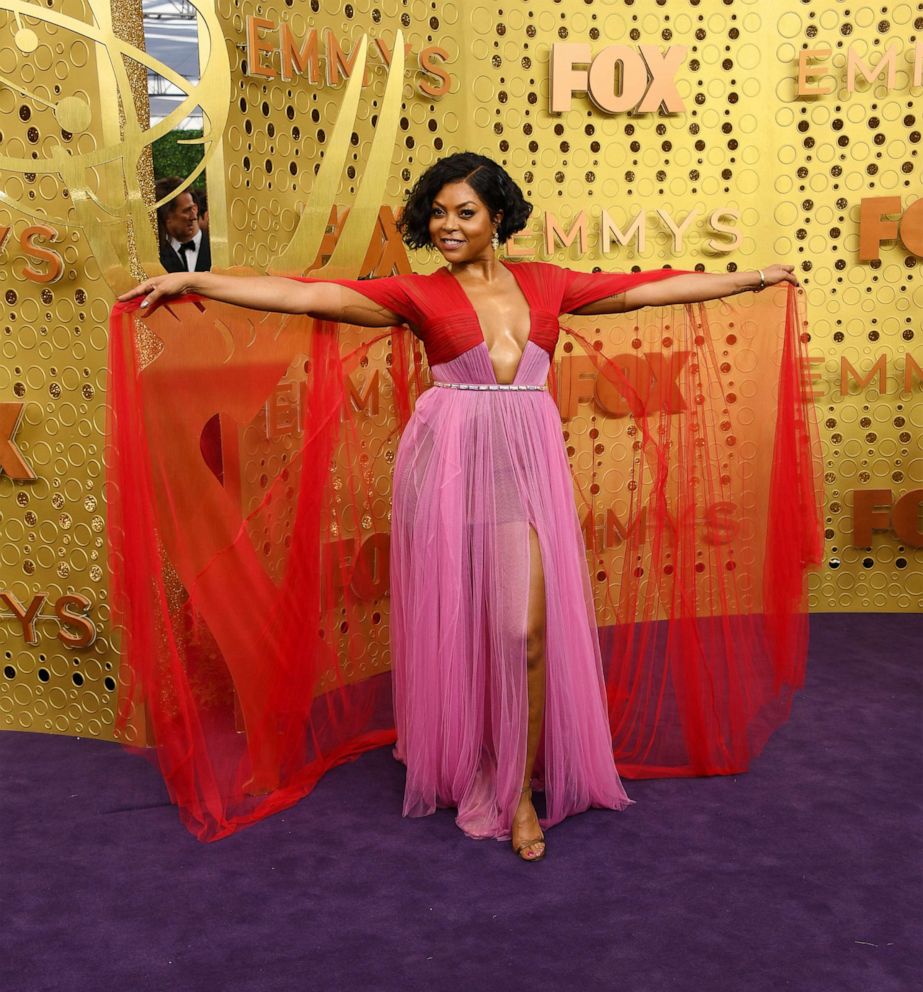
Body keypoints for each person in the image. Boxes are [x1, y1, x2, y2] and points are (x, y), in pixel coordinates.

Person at [119, 152, 800, 861]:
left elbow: (648, 289)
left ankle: (518, 793)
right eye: (437, 213)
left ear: (497, 217)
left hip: (521, 470)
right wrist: (195, 278)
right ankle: (478, 756)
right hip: (444, 469)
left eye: (463, 212)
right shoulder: (418, 295)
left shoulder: (548, 283)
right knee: (460, 621)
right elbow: (305, 295)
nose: (447, 225)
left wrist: (751, 276)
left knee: (523, 632)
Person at [155, 176, 211, 274]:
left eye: (193, 208)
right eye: (186, 211)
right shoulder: (154, 257)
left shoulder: (219, 250)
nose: (194, 217)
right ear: (167, 216)